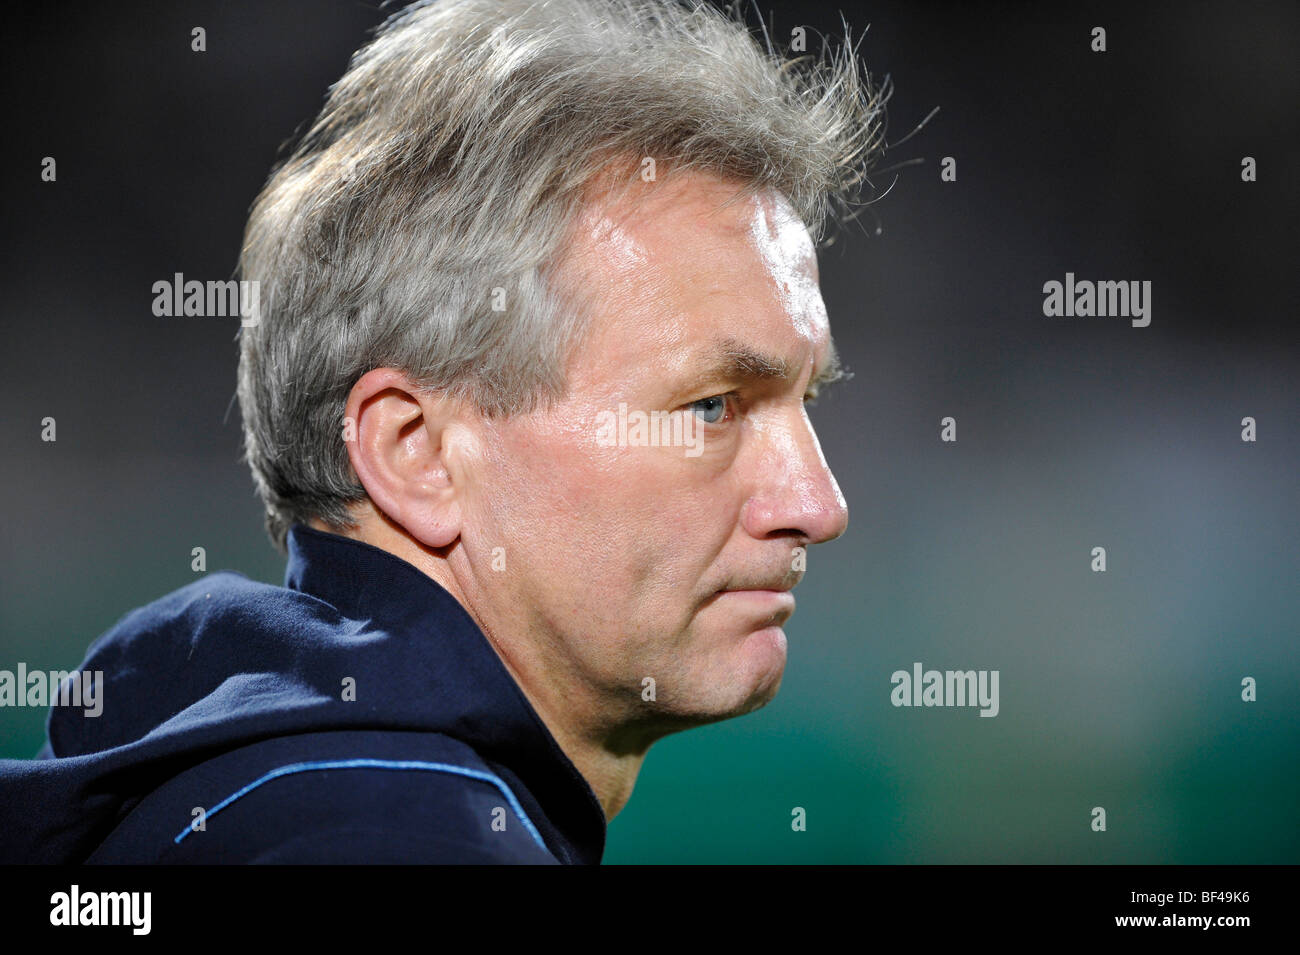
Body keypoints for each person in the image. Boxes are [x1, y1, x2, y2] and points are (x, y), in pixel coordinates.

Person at [0, 0, 885, 863]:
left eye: (808, 400)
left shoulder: (240, 778)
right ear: (414, 452)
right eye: (712, 405)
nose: (818, 502)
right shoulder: (395, 831)